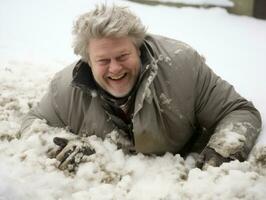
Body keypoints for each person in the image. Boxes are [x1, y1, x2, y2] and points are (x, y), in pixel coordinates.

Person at [19, 4, 261, 171]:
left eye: (123, 55)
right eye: (103, 61)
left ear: (139, 48)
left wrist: (221, 151)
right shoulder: (66, 88)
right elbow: (33, 122)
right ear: (87, 62)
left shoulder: (182, 65)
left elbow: (239, 111)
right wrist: (63, 143)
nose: (114, 69)